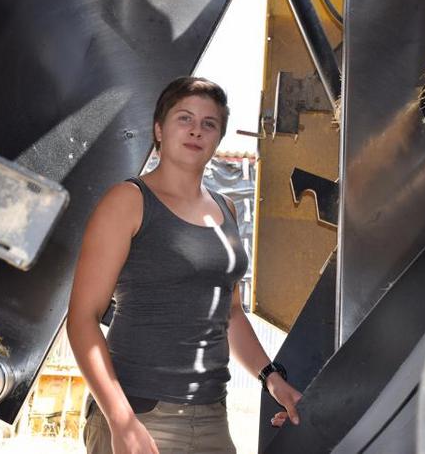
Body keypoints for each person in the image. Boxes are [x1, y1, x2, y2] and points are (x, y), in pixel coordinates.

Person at [67, 77, 302, 454]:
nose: (197, 129)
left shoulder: (227, 208)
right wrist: (121, 420)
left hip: (212, 417)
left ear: (218, 138)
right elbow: (81, 317)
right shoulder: (128, 200)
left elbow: (231, 314)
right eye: (184, 118)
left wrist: (271, 378)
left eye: (209, 123)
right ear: (159, 129)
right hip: (141, 413)